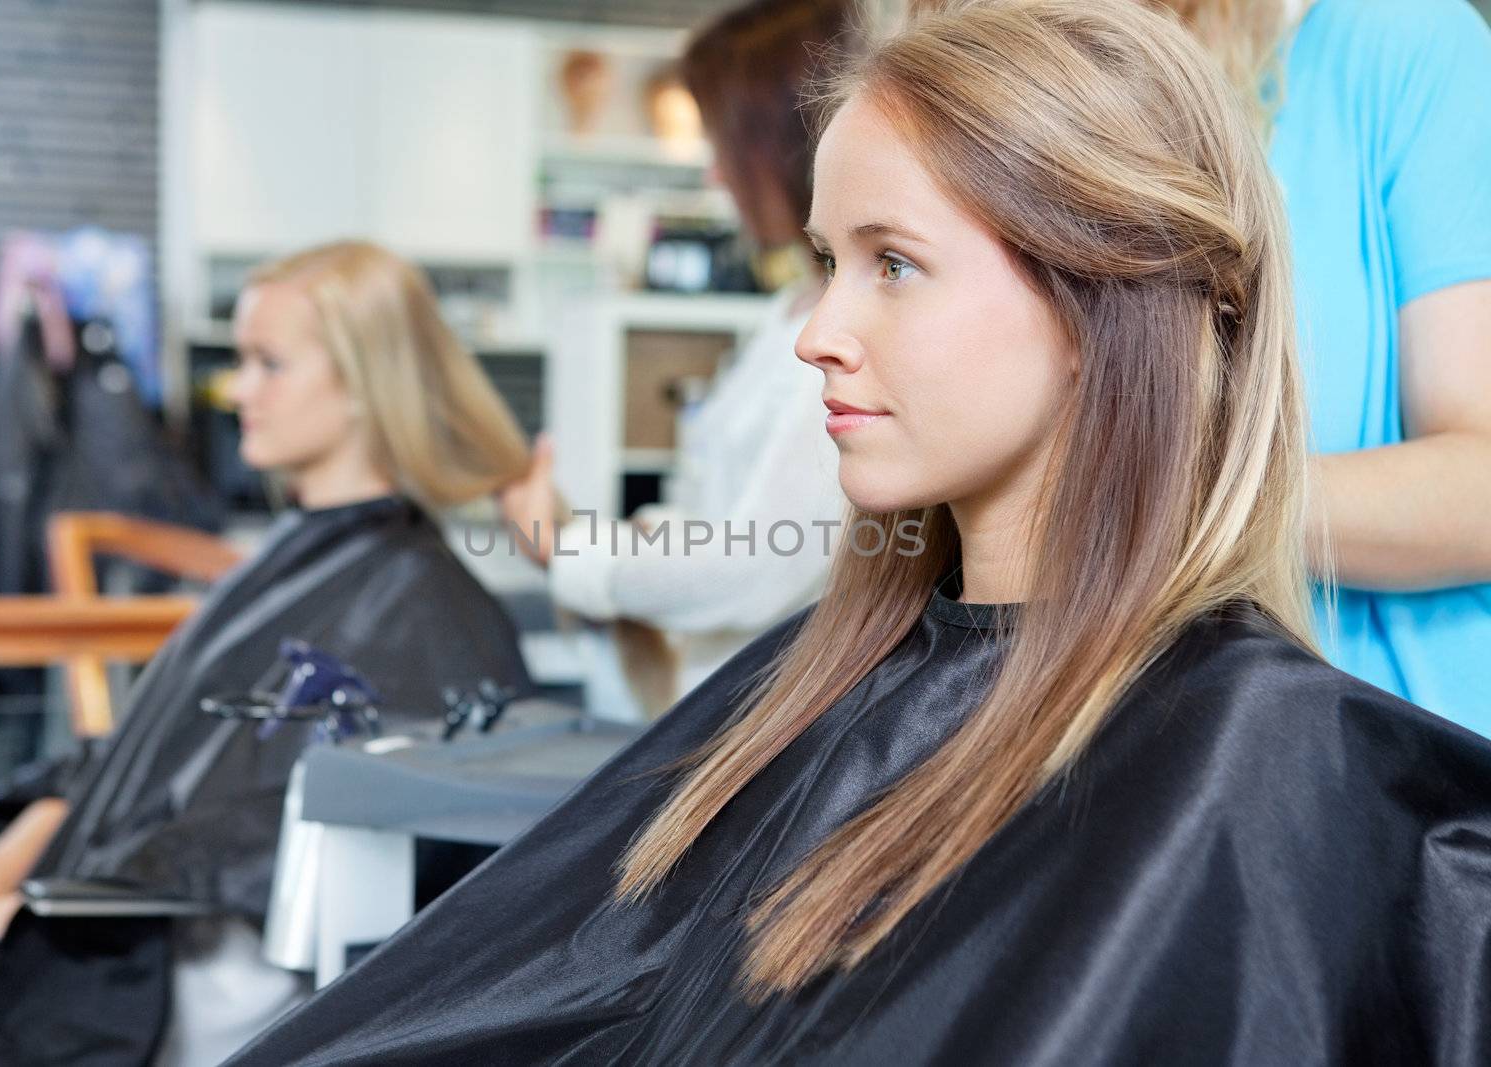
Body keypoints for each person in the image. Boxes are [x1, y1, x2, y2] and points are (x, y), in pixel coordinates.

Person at [226, 3, 1491, 1064]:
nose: (816, 334)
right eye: (828, 260)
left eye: (892, 264)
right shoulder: (819, 696)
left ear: (1113, 292)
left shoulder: (1246, 773)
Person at [0, 240, 535, 1065]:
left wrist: (21, 916)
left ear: (363, 386)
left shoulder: (417, 603)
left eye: (270, 364)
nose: (241, 390)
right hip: (95, 912)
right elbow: (128, 770)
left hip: (166, 979)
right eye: (242, 361)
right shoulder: (285, 558)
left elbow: (247, 872)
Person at [498, 0, 850, 702]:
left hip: (761, 715)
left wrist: (565, 551)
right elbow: (723, 519)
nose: (716, 177)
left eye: (723, 146)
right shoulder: (789, 311)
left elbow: (750, 565)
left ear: (781, 143)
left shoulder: (841, 339)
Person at [1161, 0, 1491, 734]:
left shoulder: (1408, 46)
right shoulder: (1042, 93)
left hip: (1406, 765)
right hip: (1175, 741)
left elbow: (1483, 485)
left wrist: (1172, 496)